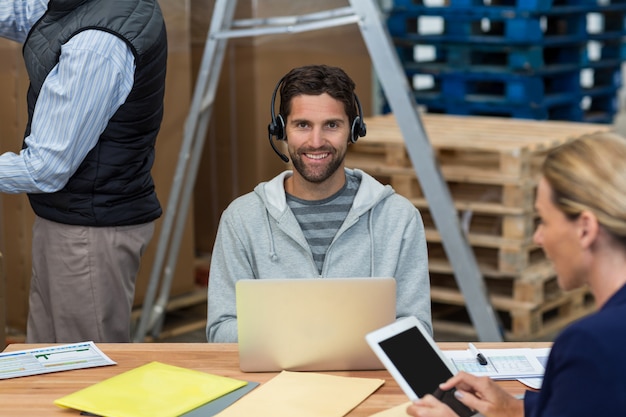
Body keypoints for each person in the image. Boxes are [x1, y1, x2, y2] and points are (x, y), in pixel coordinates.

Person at [206, 64, 432, 343]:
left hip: (369, 381)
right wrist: (310, 338)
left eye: (332, 125)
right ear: (281, 130)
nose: (316, 142)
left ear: (353, 130)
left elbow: (417, 328)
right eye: (302, 125)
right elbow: (222, 329)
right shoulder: (242, 219)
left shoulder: (398, 218)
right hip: (276, 381)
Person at [407, 131, 626, 417]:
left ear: (585, 228)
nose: (538, 237)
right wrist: (514, 408)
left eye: (544, 221)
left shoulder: (592, 345)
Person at [0, 0, 167, 343]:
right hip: (74, 218)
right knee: (46, 367)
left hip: (88, 233)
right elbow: (25, 14)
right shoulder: (90, 5)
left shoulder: (96, 44)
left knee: (85, 376)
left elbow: (45, 168)